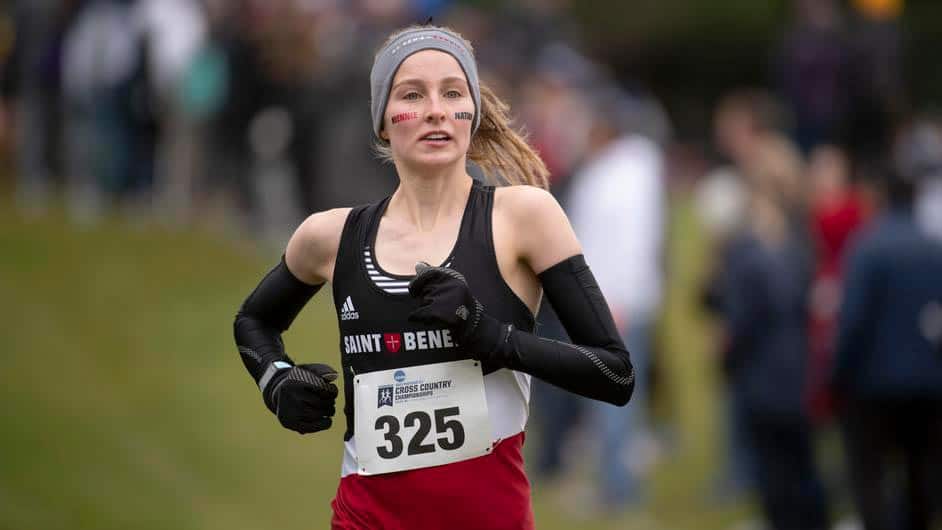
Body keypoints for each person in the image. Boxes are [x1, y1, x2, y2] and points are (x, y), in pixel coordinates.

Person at [232, 25, 635, 529]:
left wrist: (492, 337)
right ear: (383, 121)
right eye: (411, 95)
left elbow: (616, 373)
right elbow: (253, 320)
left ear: (472, 111)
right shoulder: (330, 236)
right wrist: (276, 380)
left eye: (452, 92)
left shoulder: (525, 218)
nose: (435, 110)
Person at [830, 162, 942, 530]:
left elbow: (853, 319)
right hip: (928, 382)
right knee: (920, 471)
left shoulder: (868, 247)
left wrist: (837, 374)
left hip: (872, 384)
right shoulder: (932, 248)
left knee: (869, 474)